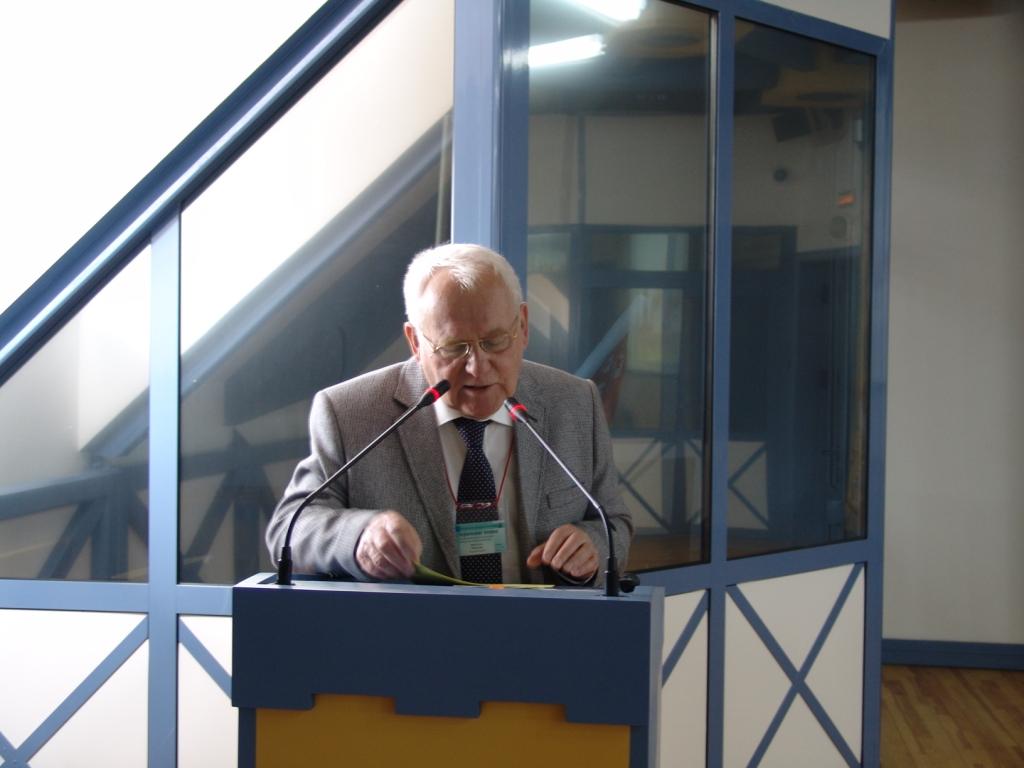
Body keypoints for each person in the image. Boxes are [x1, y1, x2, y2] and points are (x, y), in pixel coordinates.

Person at [266, 243, 631, 585]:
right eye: (454, 347)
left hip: (542, 625)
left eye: (495, 341)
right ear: (415, 341)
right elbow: (289, 528)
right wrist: (360, 536)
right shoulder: (350, 411)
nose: (478, 367)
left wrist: (593, 545)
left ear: (522, 326)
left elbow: (614, 522)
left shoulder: (575, 402)